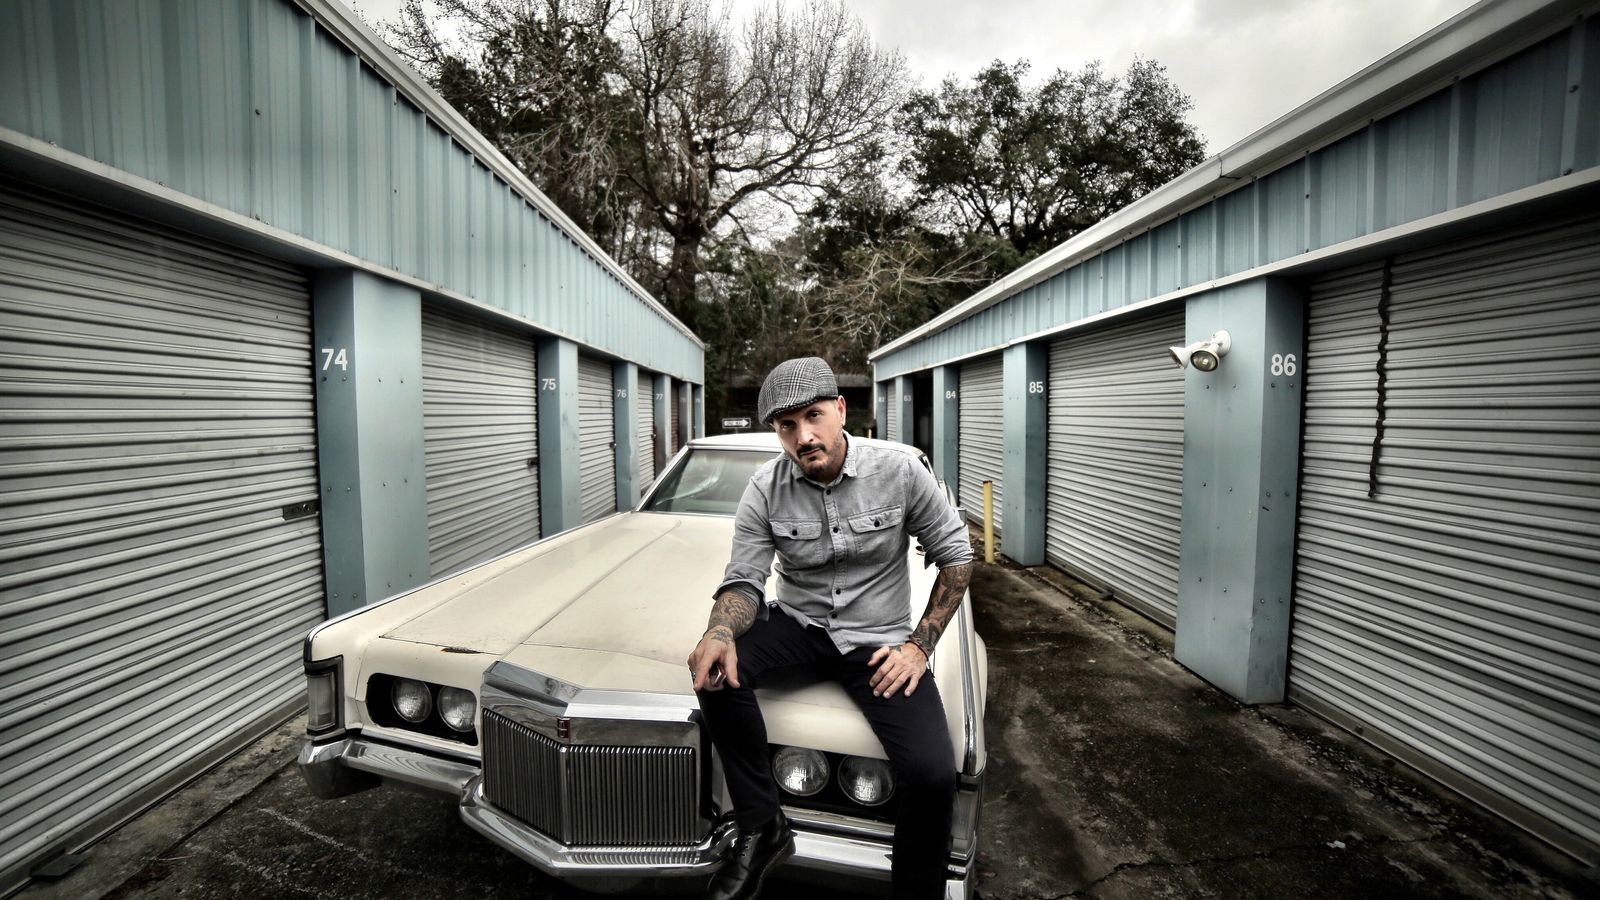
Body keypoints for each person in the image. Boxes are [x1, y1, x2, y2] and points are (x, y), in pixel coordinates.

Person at [686, 356, 975, 900]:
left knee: (933, 774)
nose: (803, 436)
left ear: (841, 410)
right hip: (799, 627)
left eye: (813, 416)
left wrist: (919, 647)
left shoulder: (901, 470)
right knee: (715, 673)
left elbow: (957, 557)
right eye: (787, 425)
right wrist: (719, 633)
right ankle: (761, 826)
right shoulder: (765, 489)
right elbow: (744, 580)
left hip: (879, 642)